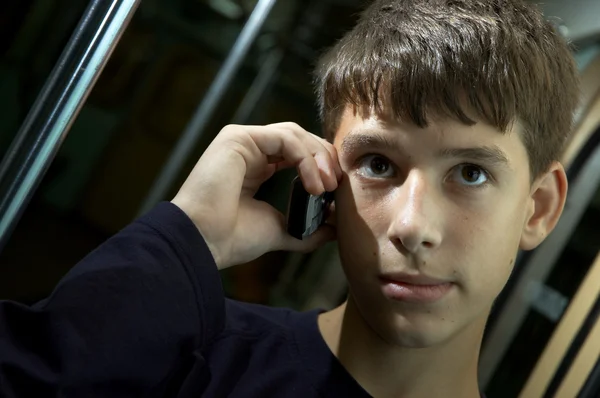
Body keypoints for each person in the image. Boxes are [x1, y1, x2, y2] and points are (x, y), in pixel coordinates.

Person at [0, 0, 580, 397]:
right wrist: (189, 239)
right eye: (378, 165)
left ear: (539, 208)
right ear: (324, 177)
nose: (412, 225)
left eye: (471, 173)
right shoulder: (190, 359)